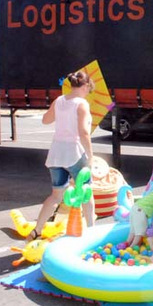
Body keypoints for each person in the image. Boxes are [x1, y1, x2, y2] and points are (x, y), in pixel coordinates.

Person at [27, 71, 95, 241]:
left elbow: (45, 120)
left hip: (56, 153)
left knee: (56, 196)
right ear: (85, 86)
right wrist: (91, 156)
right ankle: (93, 231)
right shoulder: (82, 104)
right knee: (86, 191)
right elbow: (83, 132)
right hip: (74, 153)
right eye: (89, 88)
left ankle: (37, 230)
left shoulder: (59, 100)